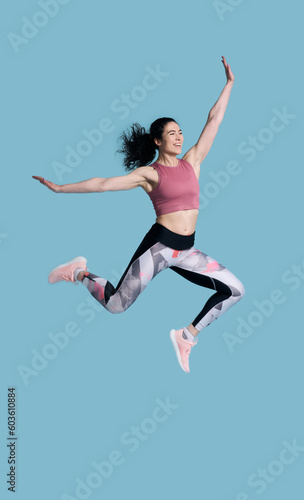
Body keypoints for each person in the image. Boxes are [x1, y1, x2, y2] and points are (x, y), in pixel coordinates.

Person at [32, 56, 245, 373]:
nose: (179, 136)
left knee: (235, 291)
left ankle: (187, 336)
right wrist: (62, 188)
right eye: (172, 133)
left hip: (187, 250)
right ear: (158, 141)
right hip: (159, 248)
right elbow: (103, 184)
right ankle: (79, 272)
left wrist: (229, 84)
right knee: (117, 305)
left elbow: (213, 120)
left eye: (180, 132)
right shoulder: (151, 173)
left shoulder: (193, 162)